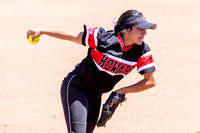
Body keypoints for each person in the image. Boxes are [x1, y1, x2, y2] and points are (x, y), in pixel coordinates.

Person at [27, 9, 157, 133]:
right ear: (126, 29)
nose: (144, 33)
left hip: (95, 96)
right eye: (140, 29)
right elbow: (72, 36)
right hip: (76, 87)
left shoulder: (142, 51)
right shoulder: (102, 38)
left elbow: (150, 81)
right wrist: (43, 31)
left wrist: (121, 91)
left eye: (145, 29)